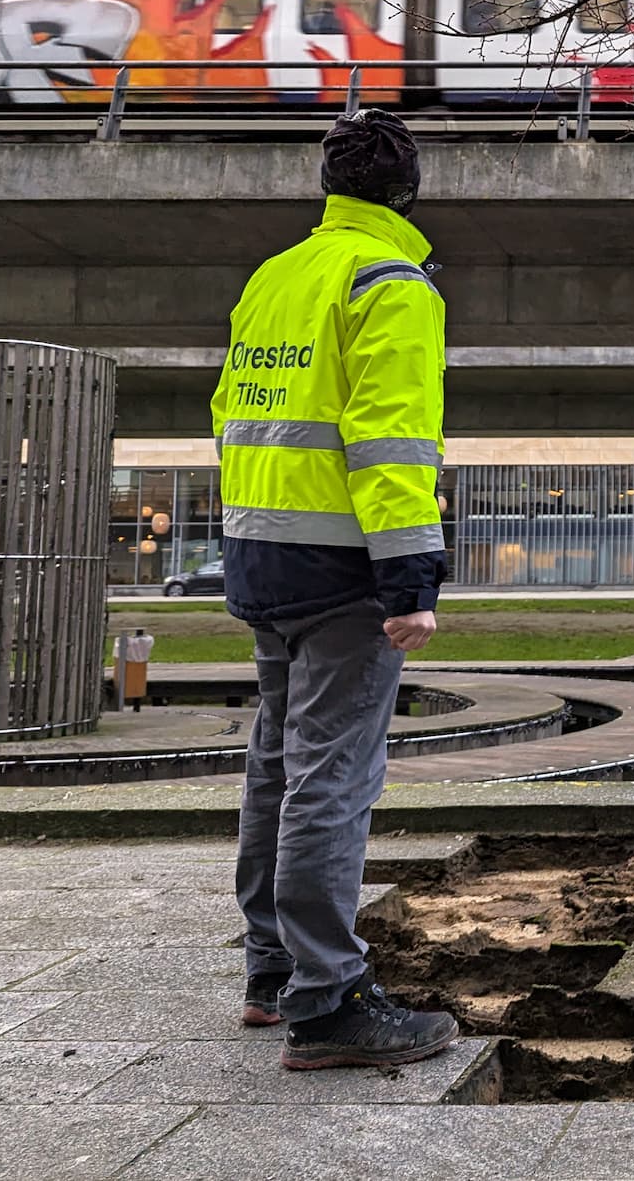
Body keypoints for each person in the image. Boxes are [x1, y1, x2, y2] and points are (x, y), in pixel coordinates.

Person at [213, 109, 458, 1071]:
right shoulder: (390, 283)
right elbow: (391, 439)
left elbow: (231, 416)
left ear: (331, 185)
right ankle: (328, 999)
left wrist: (248, 539)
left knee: (276, 761)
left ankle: (271, 972)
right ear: (408, 192)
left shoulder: (276, 277)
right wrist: (408, 579)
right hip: (343, 571)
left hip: (261, 555)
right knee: (332, 775)